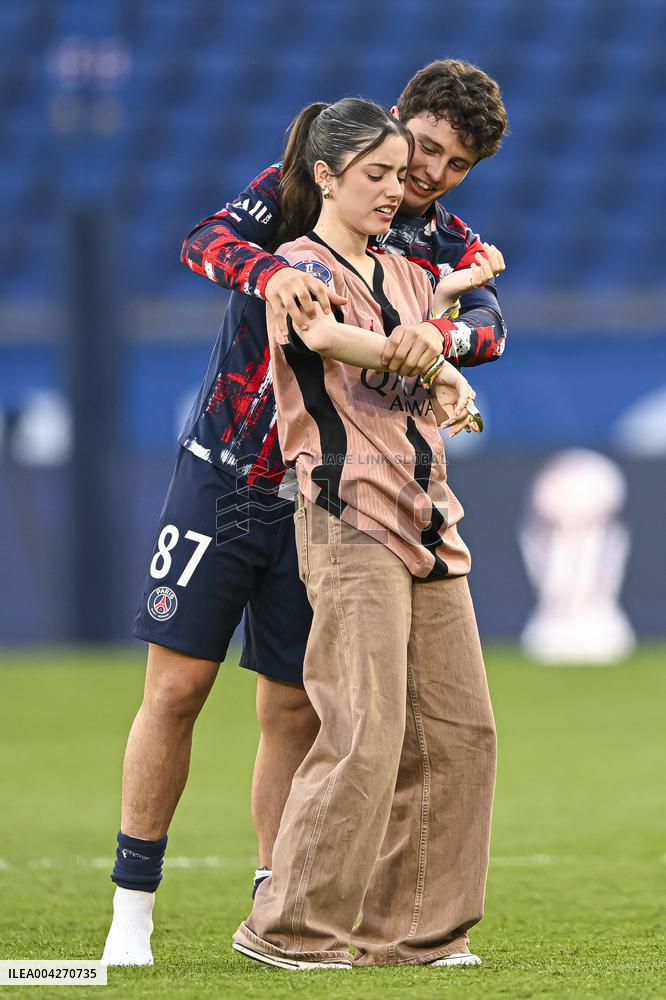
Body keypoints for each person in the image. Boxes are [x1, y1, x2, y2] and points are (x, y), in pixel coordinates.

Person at [101, 59, 508, 966]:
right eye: (426, 151)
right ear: (397, 127)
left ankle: (284, 905)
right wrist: (268, 278)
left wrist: (438, 340)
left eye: (454, 165)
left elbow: (493, 326)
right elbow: (205, 240)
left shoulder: (433, 240)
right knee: (177, 688)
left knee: (296, 711)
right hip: (231, 470)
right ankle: (132, 914)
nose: (430, 176)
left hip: (329, 493)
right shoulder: (302, 192)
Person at [232, 96, 495, 971]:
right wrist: (420, 347)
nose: (397, 190)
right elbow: (328, 338)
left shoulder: (414, 277)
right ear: (325, 177)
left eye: (398, 176)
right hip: (350, 516)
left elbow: (453, 373)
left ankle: (417, 933)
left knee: (459, 734)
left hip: (430, 520)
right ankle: (290, 928)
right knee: (365, 730)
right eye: (376, 175)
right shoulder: (296, 269)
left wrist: (448, 367)